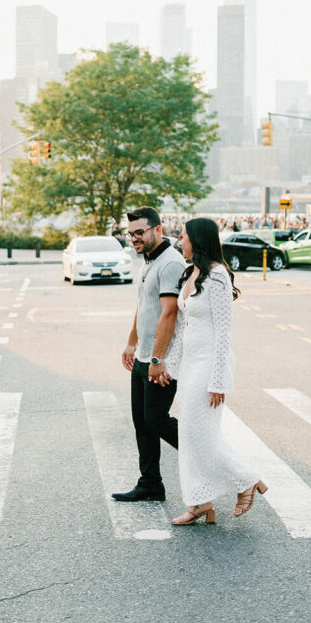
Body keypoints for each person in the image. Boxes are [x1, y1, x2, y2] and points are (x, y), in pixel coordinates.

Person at [171, 217, 267, 526]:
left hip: (210, 365)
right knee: (188, 436)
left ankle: (246, 480)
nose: (178, 241)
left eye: (182, 236)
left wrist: (218, 379)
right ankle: (200, 502)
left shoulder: (218, 277)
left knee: (200, 436)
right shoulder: (192, 273)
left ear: (197, 240)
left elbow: (224, 333)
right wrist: (169, 367)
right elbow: (184, 327)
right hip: (189, 366)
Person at [112, 206, 186, 503]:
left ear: (158, 229)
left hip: (160, 361)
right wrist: (132, 343)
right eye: (131, 234)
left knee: (156, 420)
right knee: (142, 422)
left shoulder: (170, 263)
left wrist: (157, 359)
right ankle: (150, 484)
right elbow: (144, 308)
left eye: (140, 232)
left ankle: (206, 455)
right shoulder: (149, 262)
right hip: (143, 357)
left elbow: (169, 313)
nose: (134, 239)